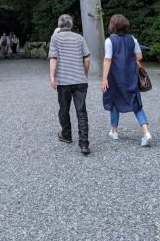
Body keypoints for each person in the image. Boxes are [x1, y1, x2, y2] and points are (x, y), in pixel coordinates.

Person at [101, 14, 152, 147]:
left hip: (115, 77)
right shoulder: (132, 39)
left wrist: (104, 79)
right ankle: (146, 132)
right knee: (136, 103)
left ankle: (114, 131)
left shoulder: (109, 41)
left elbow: (108, 59)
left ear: (113, 26)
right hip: (131, 76)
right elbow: (139, 56)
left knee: (114, 101)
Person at [48, 14, 91, 155]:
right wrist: (84, 74)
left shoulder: (55, 38)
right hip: (80, 80)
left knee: (64, 109)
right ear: (71, 24)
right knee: (81, 111)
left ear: (60, 24)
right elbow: (87, 59)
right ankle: (84, 144)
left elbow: (53, 59)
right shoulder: (80, 38)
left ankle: (66, 135)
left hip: (64, 81)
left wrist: (52, 76)